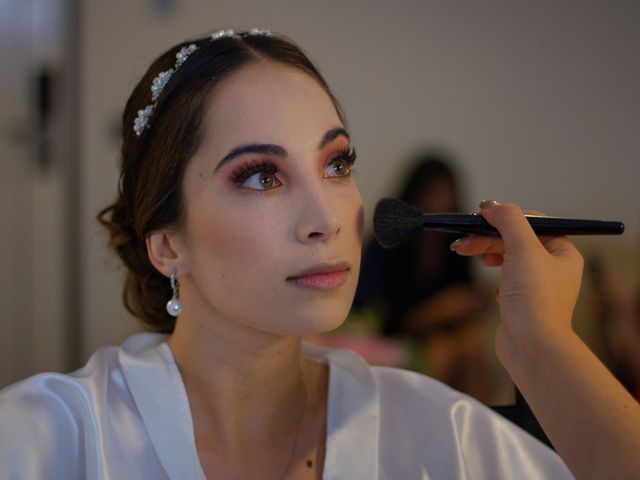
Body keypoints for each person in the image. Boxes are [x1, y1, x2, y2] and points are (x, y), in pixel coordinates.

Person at [0, 28, 638, 479]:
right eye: (260, 175)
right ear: (168, 243)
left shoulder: (438, 433)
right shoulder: (49, 438)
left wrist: (545, 348)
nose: (327, 219)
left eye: (337, 164)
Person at [353, 153, 496, 402]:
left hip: (445, 335)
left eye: (446, 194)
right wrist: (435, 311)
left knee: (468, 347)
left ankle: (480, 433)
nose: (438, 203)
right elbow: (376, 314)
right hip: (393, 336)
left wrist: (471, 303)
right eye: (431, 193)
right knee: (444, 351)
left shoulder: (459, 243)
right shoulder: (387, 243)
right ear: (413, 196)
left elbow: (466, 297)